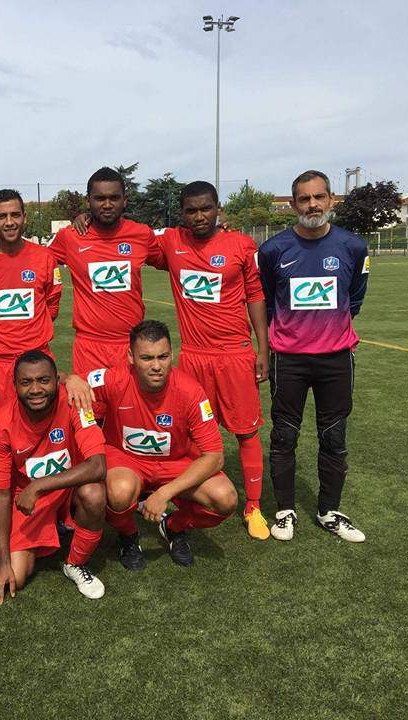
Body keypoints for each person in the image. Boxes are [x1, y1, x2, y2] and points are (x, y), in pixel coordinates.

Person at [150, 181, 271, 540]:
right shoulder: (171, 242)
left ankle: (253, 507)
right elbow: (127, 241)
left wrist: (262, 349)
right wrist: (84, 220)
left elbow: (255, 296)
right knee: (188, 435)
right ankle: (186, 501)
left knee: (246, 431)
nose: (199, 216)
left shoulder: (241, 245)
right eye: (191, 210)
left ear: (219, 209)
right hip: (193, 357)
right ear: (182, 214)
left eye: (206, 208)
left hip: (235, 354)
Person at [67, 320, 237, 570]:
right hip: (126, 460)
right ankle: (128, 535)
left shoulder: (191, 391)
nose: (156, 366)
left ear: (172, 354)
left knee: (226, 498)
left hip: (175, 463)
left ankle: (174, 526)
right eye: (146, 358)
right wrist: (71, 378)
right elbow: (67, 381)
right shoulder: (115, 378)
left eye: (163, 357)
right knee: (119, 492)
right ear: (131, 357)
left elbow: (214, 457)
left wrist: (164, 494)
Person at [257, 170, 369, 542]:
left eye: (319, 197)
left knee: (334, 437)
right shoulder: (273, 250)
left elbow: (354, 298)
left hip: (335, 359)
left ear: (331, 200)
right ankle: (285, 511)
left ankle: (329, 511)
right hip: (288, 358)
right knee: (284, 436)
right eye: (304, 199)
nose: (312, 205)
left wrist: (333, 328)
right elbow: (267, 302)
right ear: (293, 204)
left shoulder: (353, 246)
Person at [0, 167, 162, 374]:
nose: (107, 204)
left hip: (132, 343)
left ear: (125, 200)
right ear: (88, 201)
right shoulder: (71, 237)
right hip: (89, 346)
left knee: (131, 396)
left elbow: (170, 258)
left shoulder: (142, 234)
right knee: (89, 397)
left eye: (114, 198)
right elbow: (33, 258)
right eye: (99, 198)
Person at [0, 351, 107, 604]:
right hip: (28, 498)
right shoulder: (1, 424)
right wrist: (3, 561)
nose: (36, 389)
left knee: (94, 493)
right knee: (16, 576)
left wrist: (39, 485)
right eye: (26, 382)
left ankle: (75, 563)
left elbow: (98, 466)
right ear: (14, 385)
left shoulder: (75, 402)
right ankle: (52, 528)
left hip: (67, 488)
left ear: (57, 381)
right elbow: (1, 493)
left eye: (44, 380)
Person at [0, 189, 62, 418]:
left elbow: (51, 307)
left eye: (15, 215)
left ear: (24, 217)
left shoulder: (45, 258)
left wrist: (29, 334)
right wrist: (0, 334)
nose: (9, 222)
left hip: (37, 361)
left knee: (42, 427)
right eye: (2, 216)